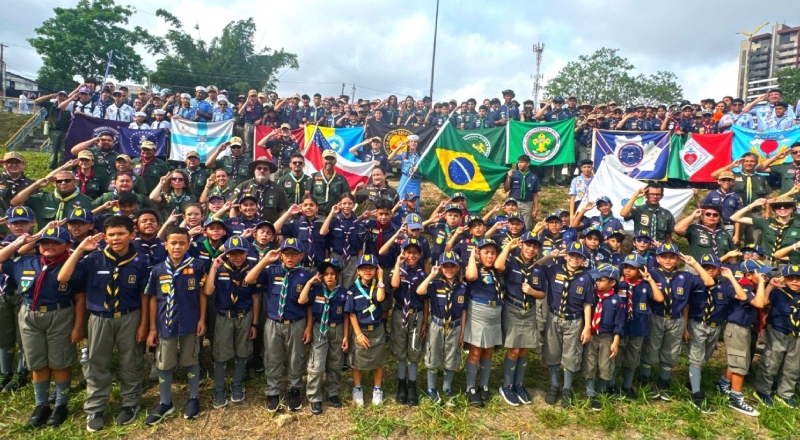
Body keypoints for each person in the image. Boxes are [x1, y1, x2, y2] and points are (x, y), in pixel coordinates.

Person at [56, 216, 150, 431]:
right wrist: (80, 249)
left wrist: (144, 324)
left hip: (130, 316)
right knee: (97, 362)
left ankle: (130, 402)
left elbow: (145, 295)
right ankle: (96, 407)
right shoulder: (93, 259)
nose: (116, 238)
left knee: (131, 360)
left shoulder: (141, 260)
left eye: (121, 234)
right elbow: (63, 277)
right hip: (100, 318)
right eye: (111, 235)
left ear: (132, 235)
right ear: (105, 236)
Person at [142, 226, 207, 424]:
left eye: (181, 243)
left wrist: (202, 319)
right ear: (166, 245)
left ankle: (193, 397)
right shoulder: (157, 269)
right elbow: (153, 298)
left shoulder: (197, 266)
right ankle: (165, 402)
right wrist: (152, 328)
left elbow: (202, 294)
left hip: (189, 320)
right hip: (165, 323)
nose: (177, 246)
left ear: (188, 244)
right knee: (164, 362)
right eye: (173, 243)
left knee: (191, 358)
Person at [639, 245, 713, 401]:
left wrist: (694, 264)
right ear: (657, 258)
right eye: (664, 256)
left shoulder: (685, 277)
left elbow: (709, 281)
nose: (668, 260)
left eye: (672, 256)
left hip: (676, 319)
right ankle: (645, 381)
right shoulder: (650, 275)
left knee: (670, 352)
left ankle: (664, 382)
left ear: (678, 259)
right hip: (656, 317)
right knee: (650, 349)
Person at [245, 238, 310, 412]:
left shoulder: (306, 275)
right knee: (272, 357)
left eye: (294, 254)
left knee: (296, 357)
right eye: (286, 253)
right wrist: (265, 260)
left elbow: (309, 305)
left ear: (301, 255)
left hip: (296, 323)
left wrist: (309, 327)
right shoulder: (271, 271)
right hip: (273, 323)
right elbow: (250, 279)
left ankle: (294, 389)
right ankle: (272, 391)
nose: (290, 257)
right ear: (281, 255)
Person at [205, 236, 259, 410]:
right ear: (226, 254)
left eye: (241, 253)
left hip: (245, 316)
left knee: (243, 351)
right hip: (223, 316)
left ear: (247, 253)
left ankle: (236, 384)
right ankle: (219, 389)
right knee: (220, 354)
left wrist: (255, 324)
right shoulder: (219, 269)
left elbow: (255, 298)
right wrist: (213, 268)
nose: (237, 257)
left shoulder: (251, 270)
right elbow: (208, 291)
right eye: (232, 253)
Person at [538, 242, 594, 407]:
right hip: (554, 318)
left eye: (579, 256)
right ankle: (554, 385)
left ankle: (567, 388)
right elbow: (534, 268)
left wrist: (587, 326)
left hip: (574, 321)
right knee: (552, 352)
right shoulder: (554, 270)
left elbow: (587, 303)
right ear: (566, 256)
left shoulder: (586, 278)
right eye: (571, 255)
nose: (574, 259)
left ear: (583, 260)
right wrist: (549, 257)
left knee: (571, 355)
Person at [494, 233, 544, 406]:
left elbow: (542, 293)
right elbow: (498, 266)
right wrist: (509, 246)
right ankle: (506, 386)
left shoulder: (538, 269)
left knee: (524, 350)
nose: (531, 249)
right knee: (514, 350)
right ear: (522, 245)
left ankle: (519, 384)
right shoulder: (511, 261)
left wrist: (532, 292)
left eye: (535, 247)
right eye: (528, 245)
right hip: (512, 309)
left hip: (528, 311)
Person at [297, 258, 348, 415]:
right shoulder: (317, 289)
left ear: (338, 275)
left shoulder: (343, 293)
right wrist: (311, 282)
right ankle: (314, 396)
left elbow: (346, 315)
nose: (330, 277)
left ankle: (332, 392)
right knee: (317, 365)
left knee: (335, 363)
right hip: (320, 328)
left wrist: (346, 336)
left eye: (333, 274)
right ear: (322, 276)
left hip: (337, 329)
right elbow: (303, 301)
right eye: (326, 274)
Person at [416, 252, 466, 405]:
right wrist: (432, 275)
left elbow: (464, 310)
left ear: (457, 268)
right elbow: (419, 291)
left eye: (452, 266)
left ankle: (446, 388)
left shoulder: (463, 287)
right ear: (441, 268)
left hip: (455, 326)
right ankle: (431, 388)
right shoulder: (435, 284)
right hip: (437, 325)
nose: (449, 269)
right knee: (433, 355)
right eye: (445, 266)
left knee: (452, 356)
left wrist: (463, 332)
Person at [611, 254, 663, 399]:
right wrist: (620, 280)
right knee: (616, 357)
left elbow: (659, 298)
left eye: (632, 268)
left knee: (632, 359)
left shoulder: (645, 286)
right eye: (625, 267)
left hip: (638, 328)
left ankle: (627, 386)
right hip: (620, 328)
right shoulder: (619, 285)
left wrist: (650, 280)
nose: (627, 270)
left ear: (641, 269)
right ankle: (612, 385)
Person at [752, 263, 800, 408]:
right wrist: (771, 286)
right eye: (790, 278)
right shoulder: (778, 292)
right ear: (784, 279)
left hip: (797, 335)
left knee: (793, 366)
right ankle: (763, 390)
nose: (794, 281)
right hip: (778, 332)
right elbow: (764, 302)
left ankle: (785, 393)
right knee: (771, 361)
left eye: (798, 278)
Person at [463, 240, 504, 407]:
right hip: (478, 312)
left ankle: (484, 385)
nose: (490, 256)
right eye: (486, 252)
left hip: (495, 313)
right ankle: (470, 387)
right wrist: (473, 256)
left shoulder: (499, 269)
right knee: (475, 351)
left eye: (493, 253)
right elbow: (470, 277)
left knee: (489, 351)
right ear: (479, 253)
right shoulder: (475, 268)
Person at [389, 239, 427, 407]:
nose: (411, 256)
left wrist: (425, 321)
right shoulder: (398, 270)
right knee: (400, 349)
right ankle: (401, 384)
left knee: (414, 349)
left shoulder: (422, 274)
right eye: (408, 252)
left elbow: (425, 300)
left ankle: (412, 384)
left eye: (414, 253)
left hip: (416, 315)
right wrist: (398, 264)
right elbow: (395, 284)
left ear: (419, 255)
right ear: (403, 253)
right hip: (399, 313)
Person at [582, 263, 625, 411]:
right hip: (592, 335)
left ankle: (602, 391)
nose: (597, 282)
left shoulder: (617, 301)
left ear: (612, 283)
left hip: (607, 337)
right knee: (590, 362)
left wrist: (616, 342)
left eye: (601, 280)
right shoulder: (592, 295)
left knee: (605, 365)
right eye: (597, 280)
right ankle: (590, 393)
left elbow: (619, 323)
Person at [711, 153, 770, 245]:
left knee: (755, 240)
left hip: (755, 213)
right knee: (734, 240)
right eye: (746, 161)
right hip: (737, 213)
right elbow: (714, 175)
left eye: (752, 161)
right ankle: (736, 258)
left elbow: (766, 195)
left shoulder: (760, 177)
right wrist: (731, 165)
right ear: (742, 163)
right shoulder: (733, 176)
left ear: (756, 163)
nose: (749, 163)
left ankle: (750, 258)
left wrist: (767, 211)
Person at [11, 171, 93, 230]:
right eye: (59, 181)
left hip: (72, 243)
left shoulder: (86, 201)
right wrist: (36, 185)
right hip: (46, 242)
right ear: (54, 183)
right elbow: (15, 202)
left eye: (67, 180)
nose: (63, 183)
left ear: (75, 182)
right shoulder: (43, 198)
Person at [731, 197, 800, 266]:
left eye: (787, 206)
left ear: (792, 208)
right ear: (774, 209)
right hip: (767, 263)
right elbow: (734, 218)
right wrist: (753, 204)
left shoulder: (798, 225)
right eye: (778, 206)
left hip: (790, 264)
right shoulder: (766, 222)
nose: (782, 208)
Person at [320, 194, 365, 288]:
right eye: (344, 203)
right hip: (336, 256)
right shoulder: (334, 220)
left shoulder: (358, 224)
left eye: (350, 203)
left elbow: (360, 248)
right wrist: (332, 213)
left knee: (349, 285)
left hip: (352, 259)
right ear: (339, 204)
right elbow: (323, 232)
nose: (347, 206)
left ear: (354, 205)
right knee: (334, 284)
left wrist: (359, 266)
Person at [229, 156, 289, 224]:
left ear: (270, 172)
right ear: (254, 170)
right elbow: (233, 207)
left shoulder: (278, 189)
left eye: (265, 169)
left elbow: (283, 210)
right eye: (259, 168)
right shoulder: (243, 186)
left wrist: (280, 229)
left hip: (270, 230)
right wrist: (234, 227)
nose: (262, 170)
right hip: (246, 229)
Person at [274, 196, 327, 269]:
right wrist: (288, 213)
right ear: (301, 208)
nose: (308, 207)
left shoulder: (322, 226)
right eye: (305, 205)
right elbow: (274, 229)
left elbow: (327, 248)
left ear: (317, 208)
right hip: (299, 266)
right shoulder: (295, 224)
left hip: (318, 267)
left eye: (311, 205)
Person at [35, 91, 73, 169]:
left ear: (67, 98)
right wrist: (49, 95)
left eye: (64, 96)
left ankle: (62, 168)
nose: (62, 98)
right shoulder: (51, 105)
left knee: (64, 151)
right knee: (53, 151)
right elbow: (37, 101)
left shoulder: (69, 108)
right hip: (54, 131)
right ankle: (52, 168)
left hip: (65, 132)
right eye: (60, 96)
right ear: (57, 97)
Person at [504, 155, 540, 231]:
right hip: (513, 204)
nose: (519, 164)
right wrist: (508, 178)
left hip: (527, 204)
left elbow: (535, 194)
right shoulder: (514, 174)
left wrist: (536, 209)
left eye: (522, 162)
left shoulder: (533, 177)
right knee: (512, 225)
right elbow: (506, 189)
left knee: (526, 226)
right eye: (518, 162)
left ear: (528, 164)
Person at [310, 150, 350, 216]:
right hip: (316, 216)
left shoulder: (341, 179)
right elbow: (308, 196)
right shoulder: (313, 177)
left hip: (335, 216)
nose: (329, 161)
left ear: (335, 161)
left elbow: (346, 197)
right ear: (322, 160)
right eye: (326, 158)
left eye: (331, 159)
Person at [0, 152, 35, 220]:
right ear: (4, 164)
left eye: (17, 162)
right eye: (10, 162)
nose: (14, 165)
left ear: (23, 165)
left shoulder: (32, 184)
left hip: (23, 223)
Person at [387, 135, 422, 200]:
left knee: (414, 200)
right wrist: (399, 148)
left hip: (415, 181)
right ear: (408, 143)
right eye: (411, 141)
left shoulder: (421, 155)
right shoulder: (404, 154)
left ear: (417, 144)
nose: (413, 143)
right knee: (400, 198)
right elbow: (389, 158)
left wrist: (419, 170)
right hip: (405, 178)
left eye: (415, 142)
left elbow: (426, 168)